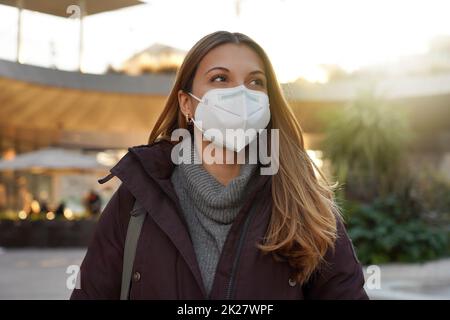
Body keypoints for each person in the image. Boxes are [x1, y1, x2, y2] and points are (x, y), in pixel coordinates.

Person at [71, 31, 368, 300]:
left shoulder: (304, 203)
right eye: (220, 79)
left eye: (255, 82)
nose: (241, 94)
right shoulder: (137, 200)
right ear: (187, 104)